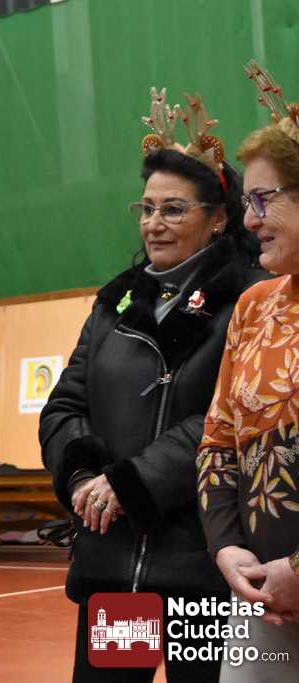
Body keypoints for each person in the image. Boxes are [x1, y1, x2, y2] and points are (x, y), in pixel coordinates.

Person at [39, 90, 266, 682]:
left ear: (219, 218)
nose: (153, 223)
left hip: (206, 572)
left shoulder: (249, 300)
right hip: (115, 567)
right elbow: (65, 404)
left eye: (173, 209)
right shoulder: (116, 301)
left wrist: (131, 483)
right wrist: (85, 477)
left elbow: (227, 417)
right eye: (145, 209)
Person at [197, 62, 299, 681]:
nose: (250, 220)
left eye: (264, 200)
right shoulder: (254, 307)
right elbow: (218, 439)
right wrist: (227, 547)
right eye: (246, 203)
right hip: (260, 597)